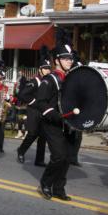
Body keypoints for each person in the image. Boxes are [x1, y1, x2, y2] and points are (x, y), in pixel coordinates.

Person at [36, 29, 74, 201]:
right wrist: (54, 115)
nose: (70, 61)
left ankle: (59, 188)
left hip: (68, 123)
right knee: (58, 156)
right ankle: (45, 182)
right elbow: (41, 102)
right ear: (57, 60)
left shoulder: (71, 78)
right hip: (52, 123)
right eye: (66, 58)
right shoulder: (49, 79)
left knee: (67, 158)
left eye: (71, 58)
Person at [16, 45, 52, 167]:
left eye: (49, 68)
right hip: (33, 112)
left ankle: (39, 160)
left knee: (43, 137)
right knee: (32, 134)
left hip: (43, 112)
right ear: (40, 70)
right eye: (45, 69)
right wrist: (35, 102)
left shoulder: (48, 82)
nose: (48, 71)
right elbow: (23, 95)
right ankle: (21, 151)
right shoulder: (34, 81)